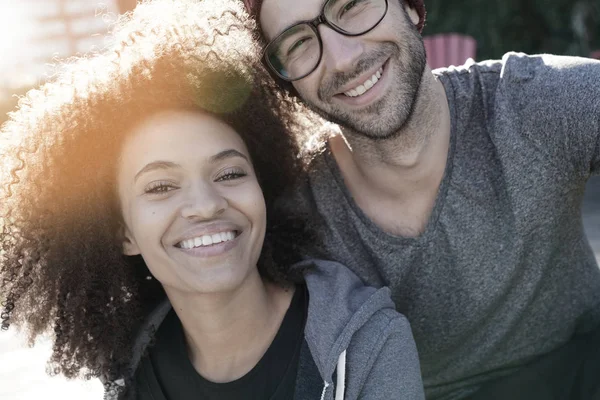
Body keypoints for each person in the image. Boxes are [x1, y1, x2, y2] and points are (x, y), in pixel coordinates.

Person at [0, 1, 425, 399]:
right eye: (161, 186)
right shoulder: (131, 369)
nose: (205, 205)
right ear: (123, 231)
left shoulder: (366, 345)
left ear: (264, 189)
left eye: (229, 173)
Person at [241, 0, 600, 398]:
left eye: (352, 6)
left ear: (409, 8)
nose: (342, 58)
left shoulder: (531, 104)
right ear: (285, 83)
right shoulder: (288, 210)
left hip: (580, 364)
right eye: (296, 43)